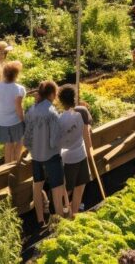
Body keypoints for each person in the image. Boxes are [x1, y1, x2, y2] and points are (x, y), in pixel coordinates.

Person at [24, 81, 68, 225]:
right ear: (51, 94)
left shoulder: (31, 110)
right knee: (56, 189)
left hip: (36, 156)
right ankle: (60, 220)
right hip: (52, 156)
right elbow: (54, 140)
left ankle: (40, 221)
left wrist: (33, 149)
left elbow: (27, 138)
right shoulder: (52, 112)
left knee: (37, 187)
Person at [56, 84, 93, 219]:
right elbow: (86, 131)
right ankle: (75, 213)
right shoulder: (81, 112)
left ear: (60, 101)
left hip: (67, 158)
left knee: (68, 189)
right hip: (81, 154)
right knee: (80, 186)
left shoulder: (60, 119)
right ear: (74, 98)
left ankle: (65, 213)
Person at [0, 61, 26, 164]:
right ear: (16, 74)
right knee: (20, 142)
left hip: (2, 121)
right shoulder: (19, 89)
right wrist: (23, 120)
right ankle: (16, 167)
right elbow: (18, 107)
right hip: (15, 121)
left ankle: (7, 168)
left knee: (8, 145)